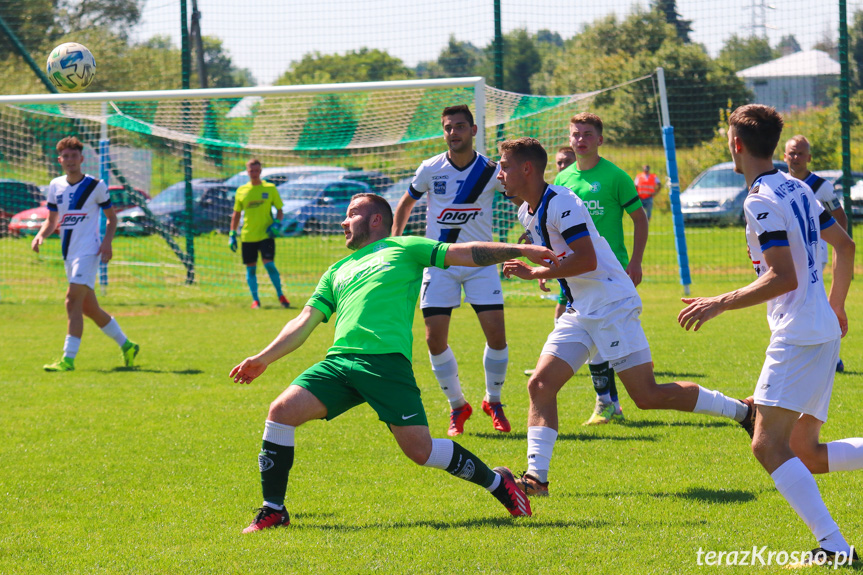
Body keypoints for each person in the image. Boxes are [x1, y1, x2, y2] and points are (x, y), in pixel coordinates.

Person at [230, 193, 553, 532]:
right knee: (280, 412)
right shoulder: (337, 269)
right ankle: (274, 509)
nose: (343, 221)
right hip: (339, 364)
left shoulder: (404, 247)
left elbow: (466, 253)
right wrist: (262, 358)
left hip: (385, 364)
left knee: (421, 451)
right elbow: (304, 320)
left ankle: (498, 483)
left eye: (352, 213)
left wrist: (522, 249)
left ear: (374, 220)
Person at [496, 137, 753, 498]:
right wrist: (538, 262)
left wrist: (537, 274)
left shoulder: (562, 202)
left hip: (611, 304)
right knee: (540, 384)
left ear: (526, 169)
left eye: (504, 166)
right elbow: (562, 254)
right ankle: (536, 482)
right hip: (582, 308)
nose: (499, 173)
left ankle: (744, 412)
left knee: (646, 396)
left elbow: (587, 260)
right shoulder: (528, 211)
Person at [679, 104, 860, 566]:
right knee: (805, 451)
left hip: (799, 333)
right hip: (819, 329)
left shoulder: (760, 199)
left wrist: (718, 302)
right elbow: (846, 246)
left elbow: (783, 277)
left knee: (766, 444)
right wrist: (834, 305)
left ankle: (834, 546)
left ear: (736, 145)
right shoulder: (797, 186)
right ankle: (833, 545)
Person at [392, 105, 511, 436]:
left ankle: (494, 400)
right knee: (434, 340)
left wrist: (530, 230)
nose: (453, 132)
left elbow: (519, 197)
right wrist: (394, 243)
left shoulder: (490, 170)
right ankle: (458, 406)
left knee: (497, 337)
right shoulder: (430, 168)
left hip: (480, 264)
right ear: (443, 132)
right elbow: (405, 202)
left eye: (460, 126)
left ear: (473, 130)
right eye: (448, 128)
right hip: (439, 263)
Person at [553, 112, 649, 426]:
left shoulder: (615, 176)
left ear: (600, 140)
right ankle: (609, 404)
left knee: (606, 337)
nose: (581, 140)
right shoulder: (562, 180)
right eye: (576, 134)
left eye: (587, 134)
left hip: (612, 273)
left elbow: (639, 219)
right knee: (594, 336)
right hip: (574, 273)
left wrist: (635, 262)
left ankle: (607, 403)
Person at [31, 136, 139, 372]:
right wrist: (40, 235)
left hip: (89, 252)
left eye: (74, 156)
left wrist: (107, 243)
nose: (70, 160)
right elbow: (52, 220)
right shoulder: (55, 185)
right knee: (88, 308)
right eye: (65, 156)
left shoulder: (95, 186)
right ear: (60, 160)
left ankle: (68, 359)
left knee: (71, 302)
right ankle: (127, 345)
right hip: (68, 254)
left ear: (81, 158)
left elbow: (112, 218)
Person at [784, 135, 848, 373]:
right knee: (795, 302)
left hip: (814, 253)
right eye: (792, 153)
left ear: (809, 157)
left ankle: (830, 354)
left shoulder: (821, 187)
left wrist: (838, 252)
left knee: (810, 300)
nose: (796, 157)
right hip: (787, 254)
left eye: (801, 153)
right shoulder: (780, 185)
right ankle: (807, 352)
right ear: (784, 156)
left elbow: (840, 218)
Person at [229, 159, 290, 309]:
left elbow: (280, 210)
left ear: (260, 171)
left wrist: (277, 223)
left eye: (257, 171)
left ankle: (281, 295)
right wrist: (232, 233)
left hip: (266, 235)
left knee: (270, 265)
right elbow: (236, 214)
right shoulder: (242, 191)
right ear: (247, 172)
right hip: (248, 235)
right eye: (251, 171)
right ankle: (255, 300)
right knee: (251, 268)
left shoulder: (270, 188)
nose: (254, 173)